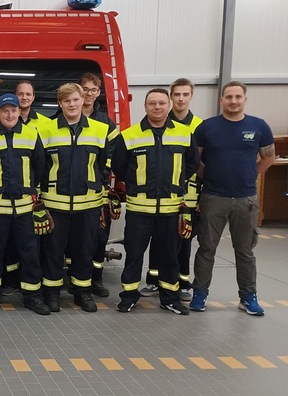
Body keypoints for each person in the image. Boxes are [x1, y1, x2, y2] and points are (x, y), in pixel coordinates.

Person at [190, 81, 275, 316]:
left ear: (245, 99)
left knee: (245, 251)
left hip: (246, 199)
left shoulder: (259, 126)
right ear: (221, 100)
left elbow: (269, 157)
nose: (233, 101)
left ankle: (248, 297)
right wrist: (210, 176)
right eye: (229, 97)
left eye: (238, 97)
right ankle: (200, 293)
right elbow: (195, 160)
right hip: (213, 197)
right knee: (207, 249)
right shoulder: (207, 127)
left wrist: (251, 174)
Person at [111, 88, 199, 315]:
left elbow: (191, 164)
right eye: (152, 103)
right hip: (139, 210)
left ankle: (169, 298)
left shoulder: (184, 134)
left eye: (161, 103)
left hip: (171, 210)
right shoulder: (129, 135)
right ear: (145, 106)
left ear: (168, 106)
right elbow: (119, 167)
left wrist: (175, 184)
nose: (157, 107)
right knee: (134, 256)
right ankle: (129, 296)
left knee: (170, 257)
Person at [38, 83, 114, 313]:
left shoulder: (100, 129)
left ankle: (82, 293)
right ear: (60, 104)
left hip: (88, 205)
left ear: (83, 100)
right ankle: (52, 294)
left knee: (84, 251)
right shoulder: (46, 130)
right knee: (52, 252)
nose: (71, 104)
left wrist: (99, 189)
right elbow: (39, 167)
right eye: (66, 101)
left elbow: (104, 164)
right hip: (55, 205)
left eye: (75, 100)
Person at [0, 93, 49, 315]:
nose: (10, 114)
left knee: (29, 252)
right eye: (5, 111)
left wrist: (28, 189)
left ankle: (33, 297)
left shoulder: (31, 134)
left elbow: (40, 166)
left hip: (24, 208)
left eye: (13, 110)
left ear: (19, 111)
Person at [141, 78, 203, 301]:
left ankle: (182, 283)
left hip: (188, 195)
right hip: (161, 195)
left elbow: (200, 163)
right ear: (170, 98)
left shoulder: (199, 126)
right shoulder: (160, 122)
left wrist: (200, 193)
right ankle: (153, 280)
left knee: (183, 241)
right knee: (158, 239)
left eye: (185, 94)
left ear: (191, 96)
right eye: (177, 94)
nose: (181, 99)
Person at [78, 72, 119, 298]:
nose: (89, 94)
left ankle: (96, 279)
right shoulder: (67, 116)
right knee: (76, 238)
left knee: (99, 237)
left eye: (93, 90)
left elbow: (113, 154)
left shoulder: (105, 122)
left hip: (99, 189)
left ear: (99, 93)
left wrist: (100, 175)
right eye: (85, 89)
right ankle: (76, 279)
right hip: (74, 190)